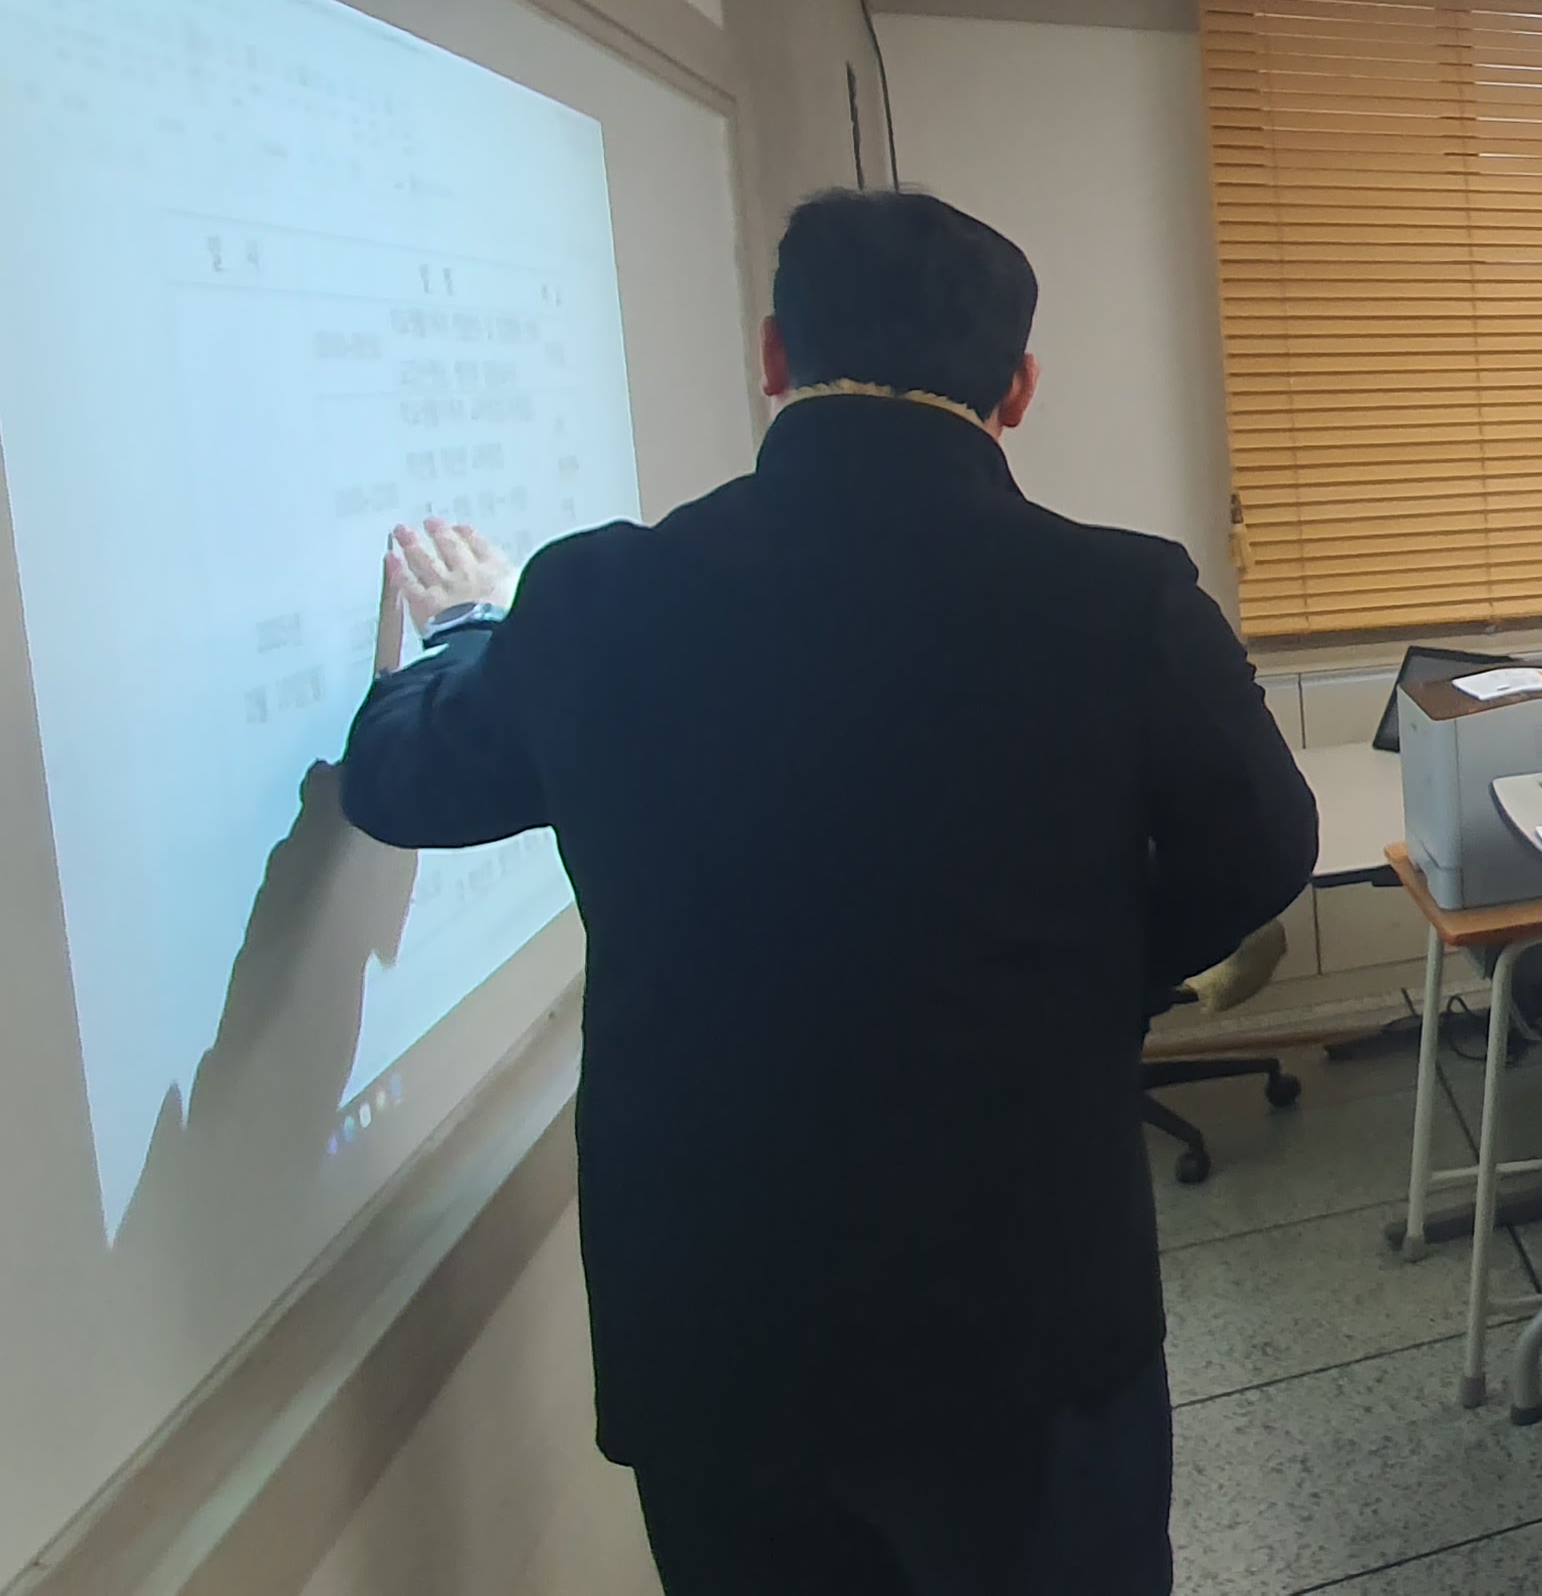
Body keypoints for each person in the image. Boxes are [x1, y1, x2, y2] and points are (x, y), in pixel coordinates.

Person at [338, 191, 1315, 1593]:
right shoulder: (1121, 597)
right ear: (1019, 389)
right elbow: (1265, 848)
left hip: (724, 1318)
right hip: (1025, 1297)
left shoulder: (598, 599)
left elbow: (402, 784)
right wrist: (1089, 981)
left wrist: (464, 629)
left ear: (773, 355)